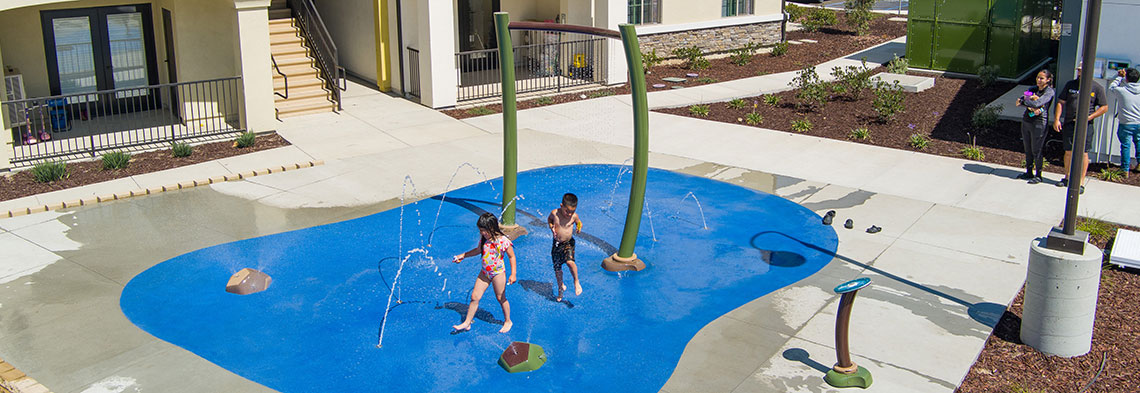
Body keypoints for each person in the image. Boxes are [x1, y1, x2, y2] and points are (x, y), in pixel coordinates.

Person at [451, 213, 517, 333]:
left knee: (500, 297)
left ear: (492, 228)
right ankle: (466, 322)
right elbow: (477, 250)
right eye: (481, 231)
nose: (482, 233)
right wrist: (463, 256)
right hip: (485, 272)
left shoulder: (503, 241)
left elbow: (512, 257)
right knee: (474, 297)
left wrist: (513, 274)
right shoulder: (484, 239)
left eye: (484, 231)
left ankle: (508, 321)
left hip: (498, 273)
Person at [1053, 62, 1108, 193]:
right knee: (1068, 151)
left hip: (1085, 126)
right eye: (1078, 70)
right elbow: (1061, 102)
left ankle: (1080, 182)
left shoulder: (1096, 87)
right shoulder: (1070, 84)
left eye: (1082, 70)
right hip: (1069, 124)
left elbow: (1104, 107)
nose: (1079, 73)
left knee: (1083, 153)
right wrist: (1056, 119)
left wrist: (1088, 117)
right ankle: (1067, 177)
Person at [1015, 69, 1055, 184]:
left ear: (1048, 80)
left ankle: (1038, 175)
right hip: (1027, 120)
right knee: (1027, 148)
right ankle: (1028, 172)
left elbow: (1037, 103)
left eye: (1042, 78)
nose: (1038, 80)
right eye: (1038, 77)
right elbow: (1020, 100)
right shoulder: (1033, 89)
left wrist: (1027, 102)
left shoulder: (1049, 92)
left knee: (1036, 149)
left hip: (1039, 123)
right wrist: (1028, 102)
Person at [547, 193, 583, 302]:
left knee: (570, 262)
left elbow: (579, 222)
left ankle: (576, 281)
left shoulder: (574, 216)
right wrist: (552, 227)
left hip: (568, 243)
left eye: (572, 211)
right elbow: (549, 220)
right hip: (557, 244)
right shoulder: (555, 214)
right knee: (557, 269)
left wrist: (579, 227)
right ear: (561, 205)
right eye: (567, 211)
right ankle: (560, 289)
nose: (569, 214)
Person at [1108, 67, 1140, 177]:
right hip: (1139, 123)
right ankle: (1139, 163)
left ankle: (1125, 169)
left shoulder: (1121, 91)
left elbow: (1111, 87)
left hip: (1126, 123)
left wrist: (1119, 77)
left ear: (1126, 78)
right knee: (1138, 143)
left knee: (1125, 146)